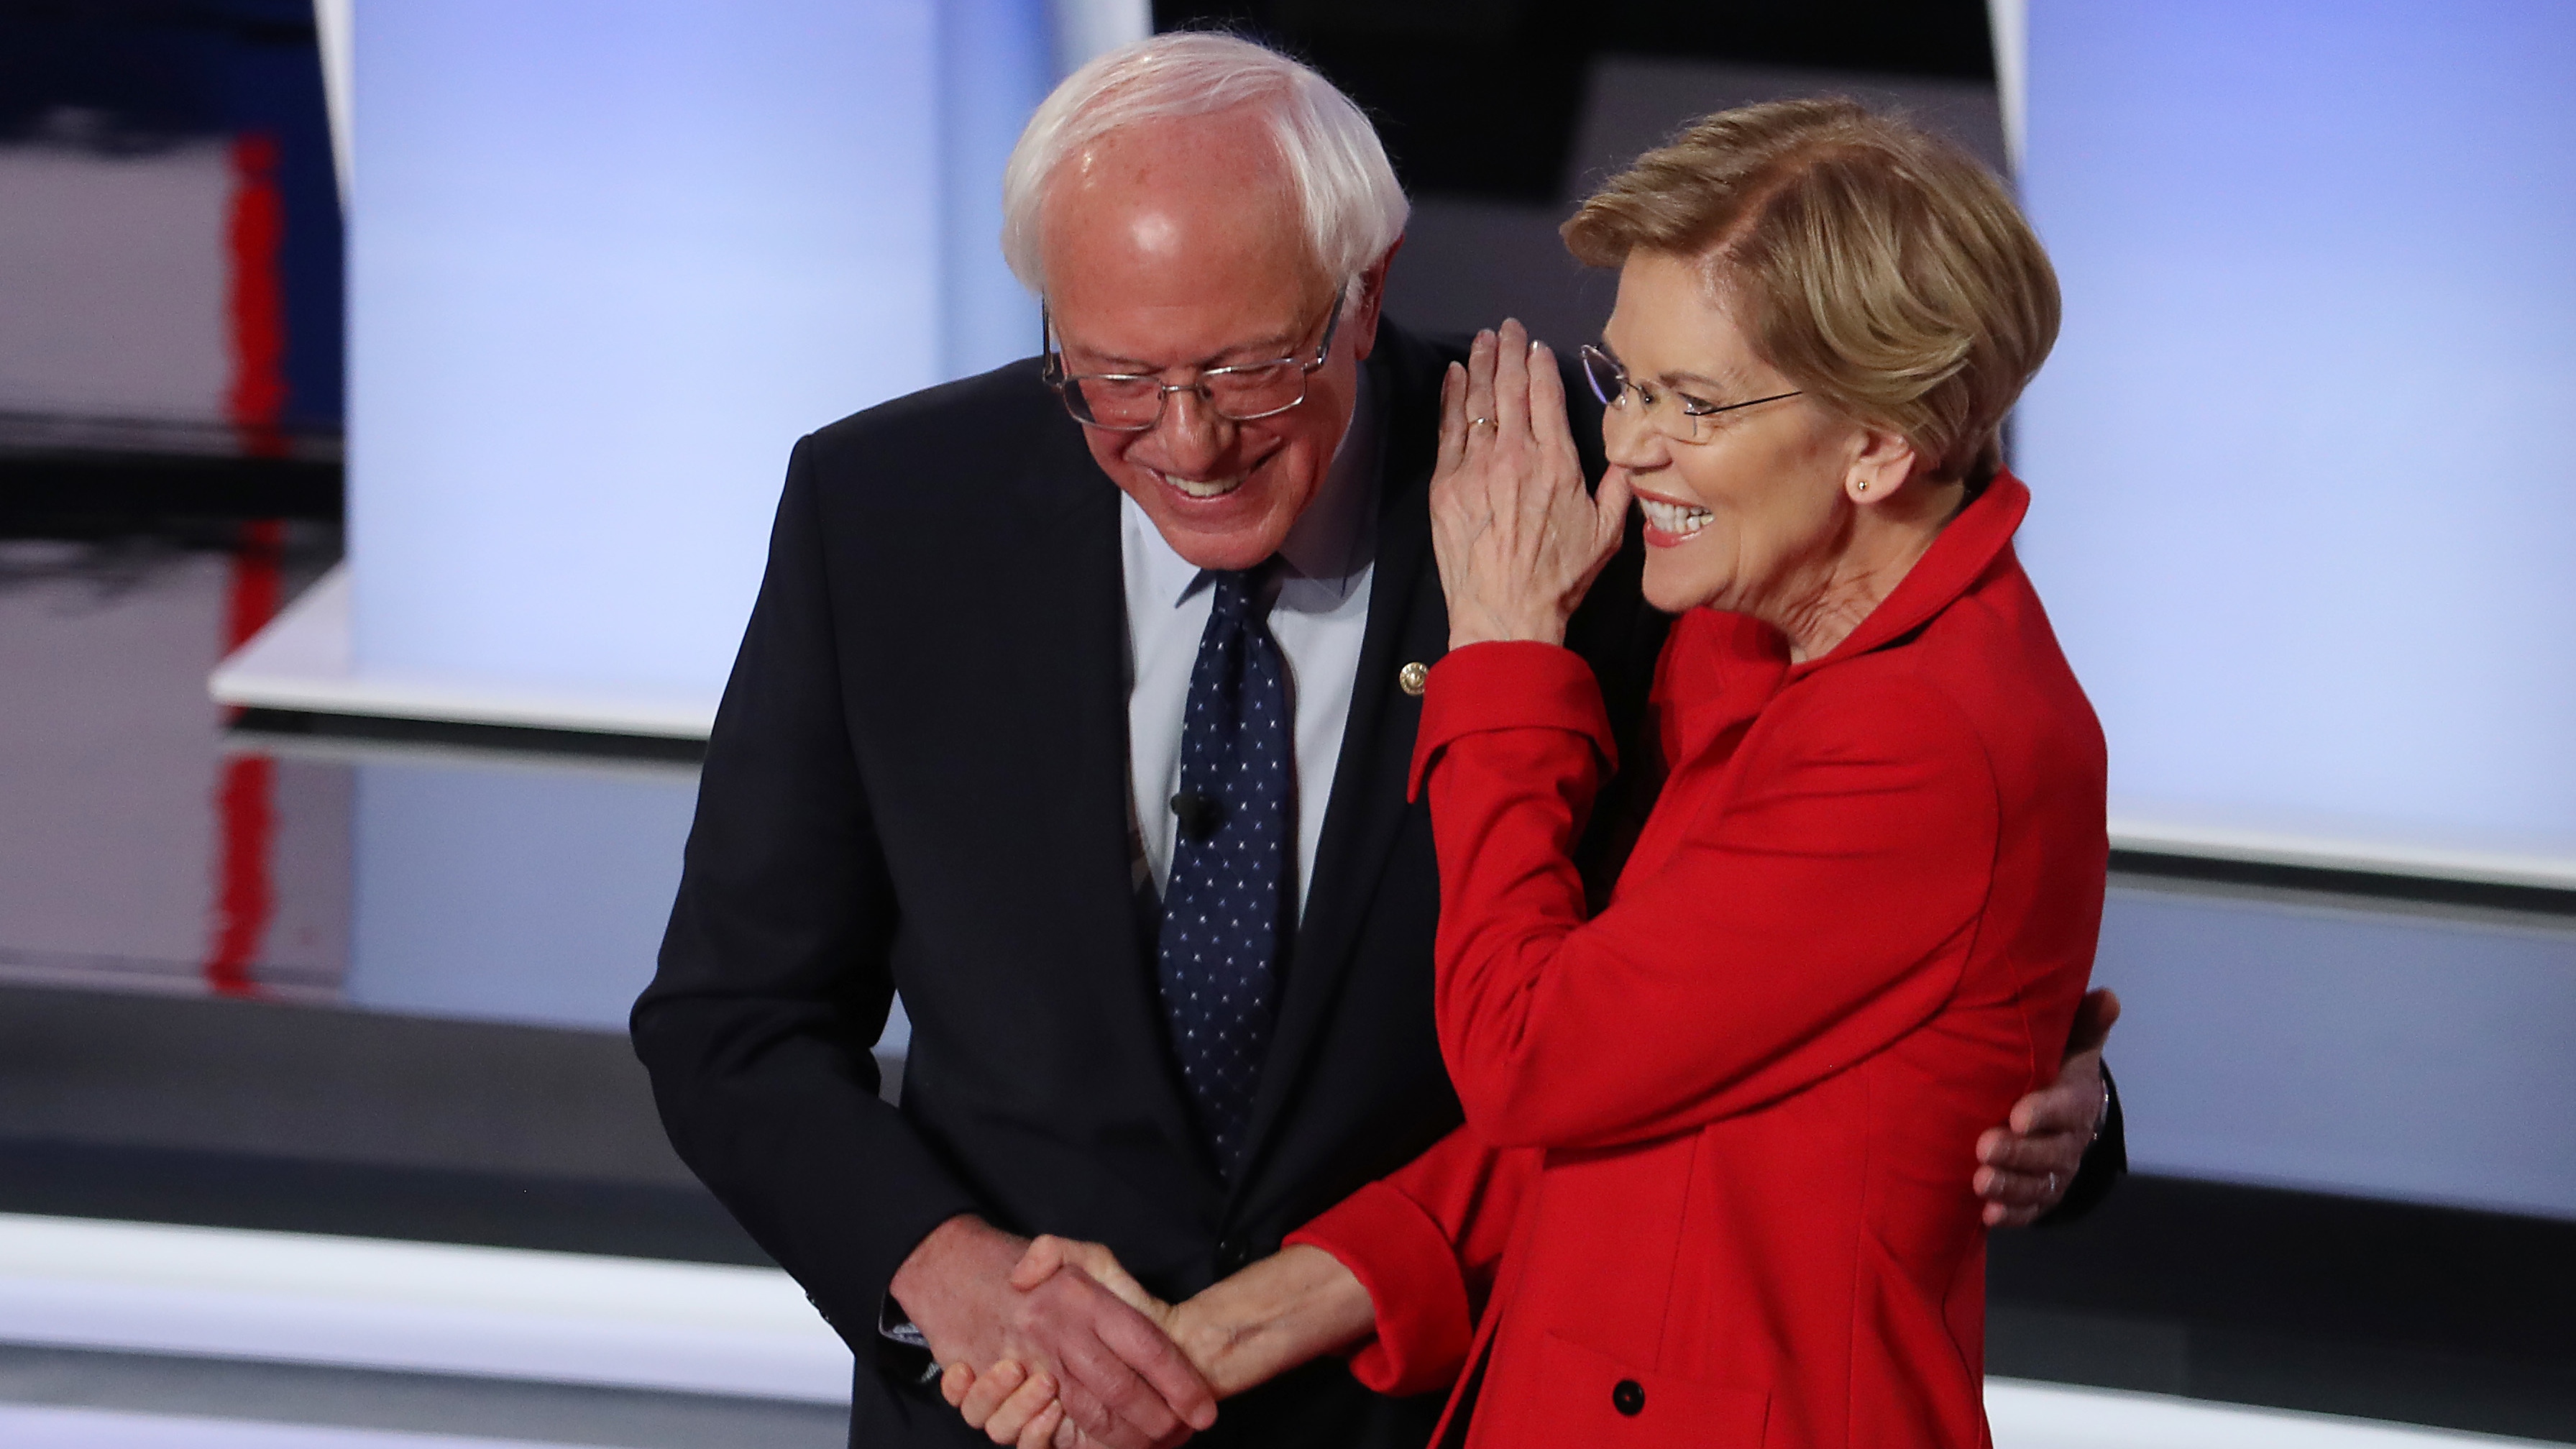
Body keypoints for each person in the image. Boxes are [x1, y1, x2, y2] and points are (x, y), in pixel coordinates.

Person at [632, 37, 2119, 1449]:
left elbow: (1796, 948)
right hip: (1009, 1420)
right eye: (1116, 379)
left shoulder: (1609, 534)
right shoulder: (886, 514)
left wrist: (2034, 1094)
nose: (1190, 438)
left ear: (1363, 289)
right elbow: (732, 1022)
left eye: (1249, 368)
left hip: (1415, 1411)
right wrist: (938, 1282)